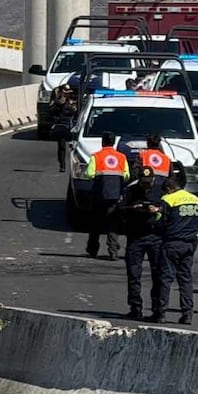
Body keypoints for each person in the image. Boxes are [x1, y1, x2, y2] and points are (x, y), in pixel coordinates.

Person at [149, 176, 198, 324]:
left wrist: (154, 214)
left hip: (172, 242)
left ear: (169, 189)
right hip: (190, 243)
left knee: (165, 278)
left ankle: (161, 313)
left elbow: (160, 222)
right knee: (185, 279)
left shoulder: (169, 200)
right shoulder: (194, 199)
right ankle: (187, 314)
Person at [119, 166, 163, 320]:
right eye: (144, 183)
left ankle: (158, 309)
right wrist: (134, 208)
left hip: (155, 237)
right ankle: (135, 307)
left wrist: (157, 209)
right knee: (133, 274)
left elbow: (167, 209)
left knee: (158, 274)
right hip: (136, 237)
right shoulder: (131, 191)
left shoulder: (160, 190)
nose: (146, 186)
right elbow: (120, 209)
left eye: (149, 183)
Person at [84, 131, 130, 260]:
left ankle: (93, 250)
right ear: (114, 142)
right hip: (115, 195)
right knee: (113, 224)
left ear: (102, 142)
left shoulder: (96, 156)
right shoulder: (121, 157)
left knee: (95, 224)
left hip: (99, 195)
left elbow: (89, 174)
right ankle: (113, 251)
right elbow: (126, 175)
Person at [50, 81, 78, 173]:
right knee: (62, 146)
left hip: (73, 125)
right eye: (65, 92)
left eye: (68, 92)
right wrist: (60, 103)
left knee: (75, 147)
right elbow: (52, 111)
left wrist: (70, 105)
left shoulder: (73, 100)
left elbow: (77, 111)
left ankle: (76, 165)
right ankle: (62, 165)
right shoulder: (57, 101)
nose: (67, 94)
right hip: (62, 125)